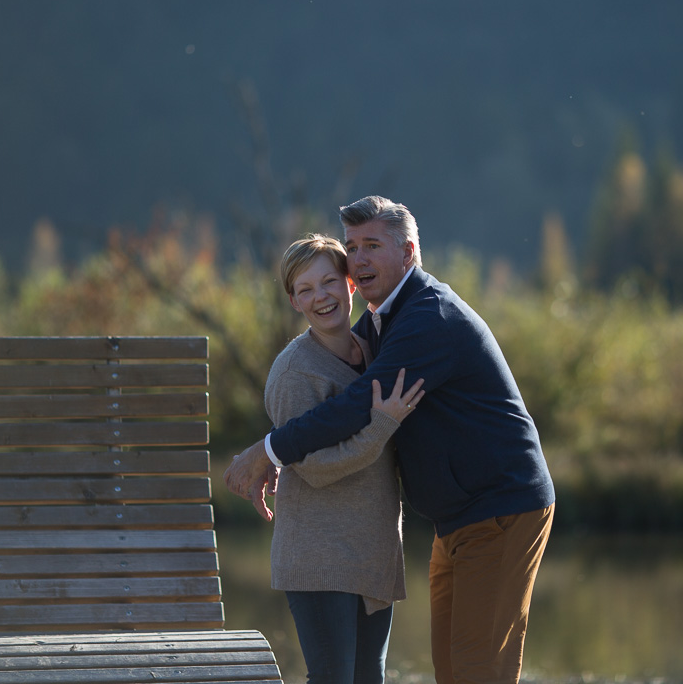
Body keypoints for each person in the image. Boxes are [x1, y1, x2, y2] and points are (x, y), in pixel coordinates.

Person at [227, 196, 555, 684]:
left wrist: (268, 451)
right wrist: (277, 450)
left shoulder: (426, 318)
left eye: (373, 245)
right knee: (454, 670)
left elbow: (357, 404)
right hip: (458, 518)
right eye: (352, 246)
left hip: (499, 509)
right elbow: (325, 393)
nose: (359, 259)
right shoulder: (380, 322)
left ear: (408, 252)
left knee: (478, 671)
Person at [263, 233, 425, 684]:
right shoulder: (294, 372)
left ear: (350, 283)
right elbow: (312, 468)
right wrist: (380, 426)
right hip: (319, 558)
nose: (321, 296)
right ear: (294, 301)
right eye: (305, 289)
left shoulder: (376, 352)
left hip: (372, 556)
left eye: (329, 281)